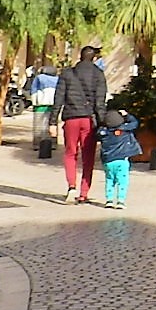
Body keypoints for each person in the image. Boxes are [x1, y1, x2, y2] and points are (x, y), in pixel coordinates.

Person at [48, 45, 108, 205]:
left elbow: (58, 98)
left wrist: (52, 122)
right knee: (88, 157)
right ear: (93, 58)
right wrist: (103, 123)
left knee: (70, 153)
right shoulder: (99, 74)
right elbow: (100, 102)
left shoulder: (67, 73)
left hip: (71, 118)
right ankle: (84, 193)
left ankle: (71, 187)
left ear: (80, 57)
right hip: (89, 120)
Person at [96, 109, 141, 210]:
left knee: (109, 180)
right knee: (122, 181)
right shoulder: (125, 129)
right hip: (122, 160)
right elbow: (135, 123)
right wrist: (127, 115)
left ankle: (109, 200)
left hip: (108, 161)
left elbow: (97, 133)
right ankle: (120, 201)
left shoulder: (103, 132)